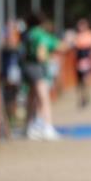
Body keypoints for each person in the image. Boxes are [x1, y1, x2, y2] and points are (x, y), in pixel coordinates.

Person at [21, 12, 67, 140]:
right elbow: (41, 55)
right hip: (37, 67)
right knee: (44, 97)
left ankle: (29, 127)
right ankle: (47, 127)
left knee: (31, 97)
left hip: (27, 66)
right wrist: (48, 58)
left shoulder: (27, 34)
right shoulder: (40, 34)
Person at [73, 19, 91, 108]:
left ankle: (87, 97)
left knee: (87, 80)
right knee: (80, 82)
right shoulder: (77, 36)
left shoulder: (90, 35)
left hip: (87, 61)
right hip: (79, 61)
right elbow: (74, 49)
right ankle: (81, 98)